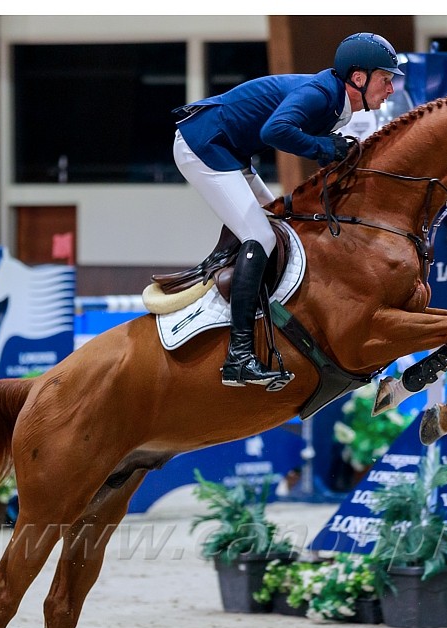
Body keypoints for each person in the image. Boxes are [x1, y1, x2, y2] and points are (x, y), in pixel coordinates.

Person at [172, 32, 403, 388]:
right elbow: (274, 131)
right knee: (261, 235)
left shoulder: (337, 103)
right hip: (204, 144)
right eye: (386, 79)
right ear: (359, 78)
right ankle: (239, 356)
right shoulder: (321, 94)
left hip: (230, 151)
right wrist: (326, 148)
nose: (390, 89)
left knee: (283, 222)